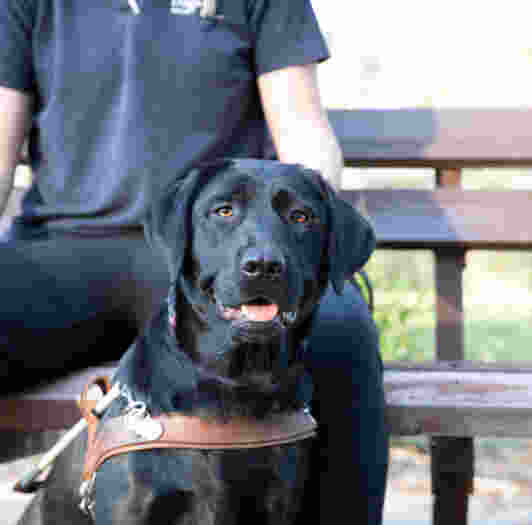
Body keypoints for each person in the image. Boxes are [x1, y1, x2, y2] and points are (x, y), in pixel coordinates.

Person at [0, 1, 388, 523]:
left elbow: (302, 128)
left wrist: (303, 245)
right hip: (63, 254)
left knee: (342, 332)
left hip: (210, 248)